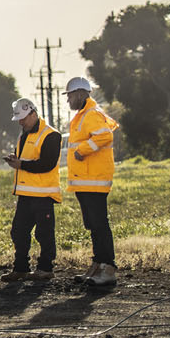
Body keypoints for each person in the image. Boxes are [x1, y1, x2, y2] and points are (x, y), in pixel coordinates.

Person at [63, 77, 120, 287]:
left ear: (79, 94)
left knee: (99, 225)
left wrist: (82, 150)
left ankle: (108, 268)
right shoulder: (82, 115)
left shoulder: (91, 114)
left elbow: (105, 137)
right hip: (85, 181)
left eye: (69, 96)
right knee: (93, 225)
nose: (68, 100)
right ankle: (98, 265)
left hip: (94, 181)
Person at [1, 98, 61, 282]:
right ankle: (20, 268)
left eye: (23, 118)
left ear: (33, 114)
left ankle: (45, 269)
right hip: (26, 195)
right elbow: (28, 158)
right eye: (18, 118)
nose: (20, 121)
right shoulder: (24, 135)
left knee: (44, 234)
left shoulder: (51, 135)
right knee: (18, 231)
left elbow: (47, 164)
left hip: (43, 195)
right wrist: (16, 160)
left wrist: (21, 164)